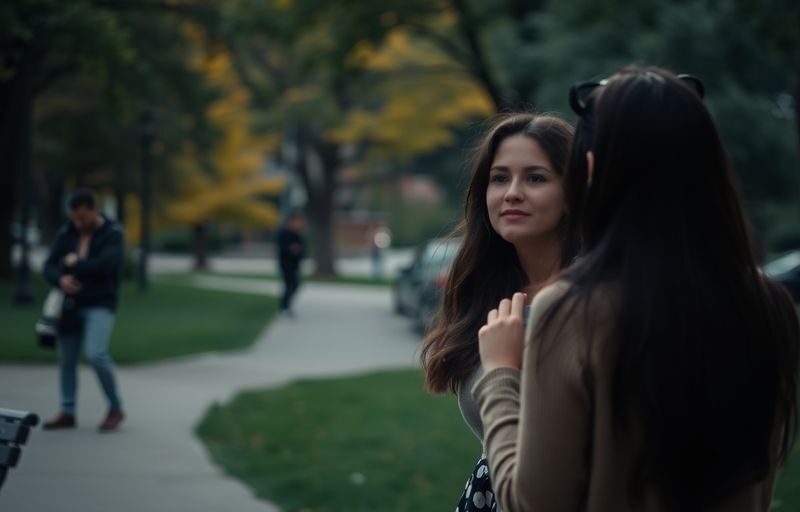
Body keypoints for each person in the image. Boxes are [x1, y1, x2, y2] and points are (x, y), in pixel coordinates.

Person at [474, 66, 800, 511]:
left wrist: (499, 375)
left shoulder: (572, 311)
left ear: (587, 171)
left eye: (536, 177)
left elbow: (533, 503)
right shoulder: (770, 308)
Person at [419, 113, 576, 511]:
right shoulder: (487, 292)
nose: (512, 193)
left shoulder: (588, 305)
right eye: (500, 178)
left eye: (535, 178)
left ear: (573, 193)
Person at [42, 188, 126, 432]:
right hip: (70, 305)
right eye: (74, 218)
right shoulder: (66, 233)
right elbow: (48, 266)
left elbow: (106, 266)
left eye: (82, 217)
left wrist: (75, 264)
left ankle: (115, 407)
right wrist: (61, 280)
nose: (78, 223)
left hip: (99, 304)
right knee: (66, 360)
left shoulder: (112, 234)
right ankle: (67, 411)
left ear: (94, 209)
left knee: (96, 354)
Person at [276, 211, 306, 317]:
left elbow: (303, 249)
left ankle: (286, 306)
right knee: (289, 285)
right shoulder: (283, 233)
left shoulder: (297, 235)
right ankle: (284, 307)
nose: (299, 224)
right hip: (285, 264)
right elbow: (282, 248)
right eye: (297, 222)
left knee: (295, 285)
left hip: (295, 265)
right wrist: (291, 249)